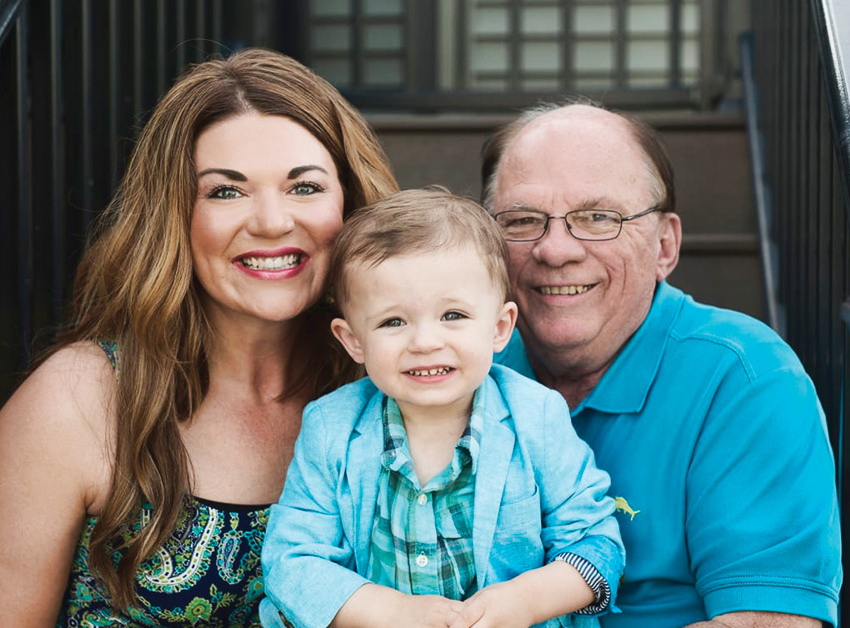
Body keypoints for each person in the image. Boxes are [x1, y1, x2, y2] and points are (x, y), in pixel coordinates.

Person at [0, 48, 398, 627]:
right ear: (173, 215)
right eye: (226, 191)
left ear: (351, 205)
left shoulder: (392, 383)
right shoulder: (79, 401)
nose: (271, 222)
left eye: (304, 187)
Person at [481, 102, 843, 628]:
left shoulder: (745, 378)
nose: (555, 250)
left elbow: (772, 622)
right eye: (522, 220)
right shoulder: (458, 368)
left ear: (665, 246)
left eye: (598, 218)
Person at [260, 188, 626, 628]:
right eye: (393, 321)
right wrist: (391, 612)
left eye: (453, 315)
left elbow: (597, 544)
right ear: (353, 340)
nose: (425, 342)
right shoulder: (331, 427)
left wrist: (525, 601)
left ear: (499, 327)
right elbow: (291, 561)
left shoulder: (537, 417)